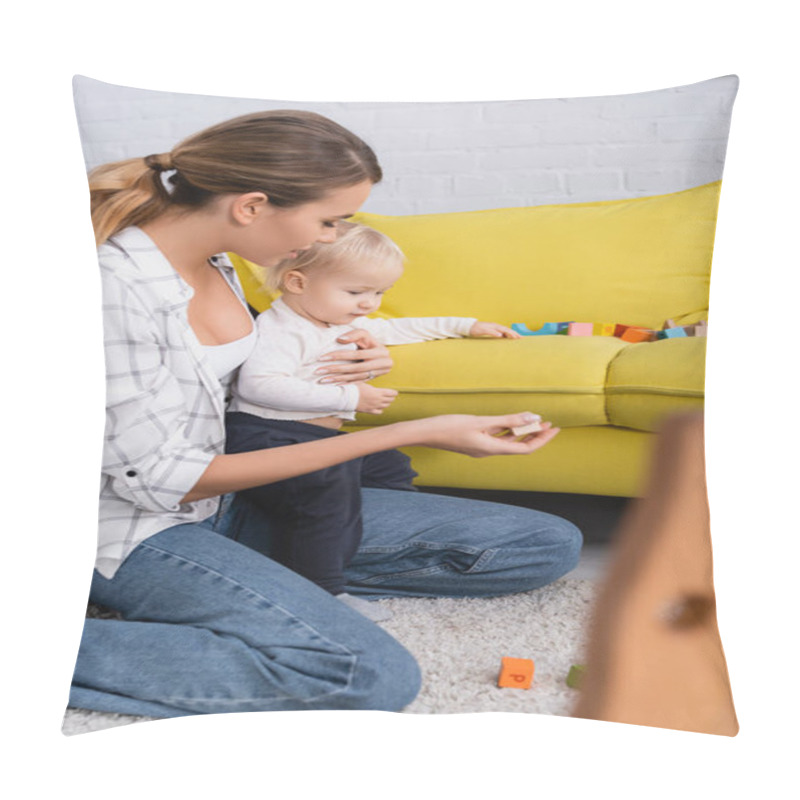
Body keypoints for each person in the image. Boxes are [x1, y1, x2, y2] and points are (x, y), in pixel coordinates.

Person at [69, 109, 582, 719]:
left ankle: (282, 581)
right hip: (136, 527)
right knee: (364, 674)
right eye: (328, 219)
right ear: (251, 205)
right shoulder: (113, 286)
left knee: (543, 545)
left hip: (237, 499)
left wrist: (349, 352)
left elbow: (220, 384)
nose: (329, 237)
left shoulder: (217, 259)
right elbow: (161, 478)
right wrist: (410, 431)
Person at [225, 222, 524, 621]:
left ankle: (372, 538)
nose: (369, 304)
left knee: (389, 464)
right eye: (355, 292)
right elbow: (258, 386)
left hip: (310, 434)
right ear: (297, 282)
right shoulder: (281, 329)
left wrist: (463, 325)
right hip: (266, 435)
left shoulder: (333, 320)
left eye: (379, 292)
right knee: (327, 486)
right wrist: (351, 396)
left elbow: (394, 327)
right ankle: (320, 590)